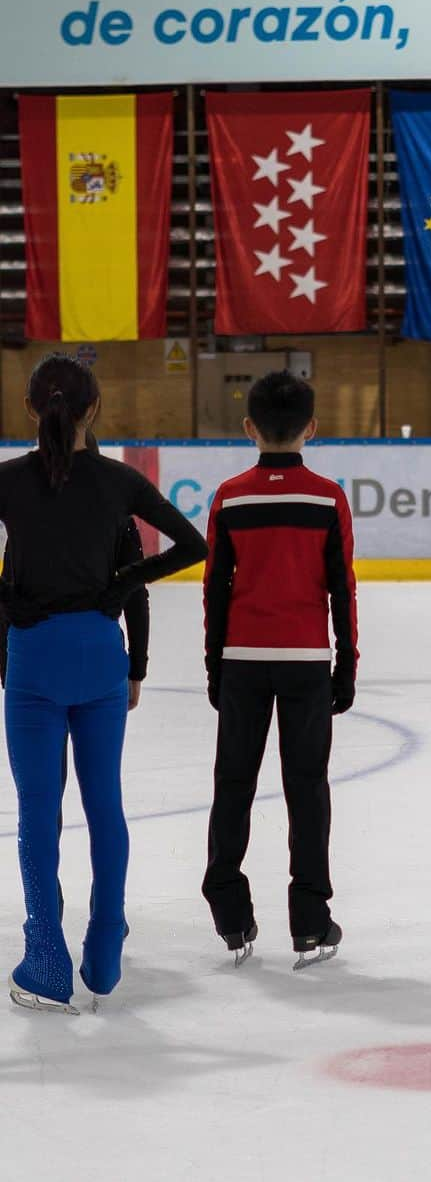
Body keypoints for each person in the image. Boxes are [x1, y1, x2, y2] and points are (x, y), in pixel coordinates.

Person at [1, 354, 208, 1014]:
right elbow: (192, 545)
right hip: (99, 651)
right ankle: (107, 940)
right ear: (94, 410)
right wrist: (122, 585)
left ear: (32, 411)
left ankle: (46, 961)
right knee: (104, 805)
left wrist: (7, 602)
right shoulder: (119, 482)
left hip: (33, 654)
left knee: (39, 811)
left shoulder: (7, 481)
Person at [202, 370, 357, 970]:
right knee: (307, 788)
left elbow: (216, 589)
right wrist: (345, 664)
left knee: (232, 785)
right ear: (311, 429)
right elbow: (341, 589)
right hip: (306, 664)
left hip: (243, 660)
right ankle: (311, 921)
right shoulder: (327, 497)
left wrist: (215, 664)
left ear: (249, 427)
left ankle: (230, 912)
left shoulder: (230, 496)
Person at [0, 430, 151, 925]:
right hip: (95, 665)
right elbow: (136, 591)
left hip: (35, 666)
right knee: (101, 794)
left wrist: (7, 665)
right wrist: (136, 667)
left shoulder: (26, 509)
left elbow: (9, 593)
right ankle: (106, 909)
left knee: (44, 795)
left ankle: (49, 906)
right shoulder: (113, 508)